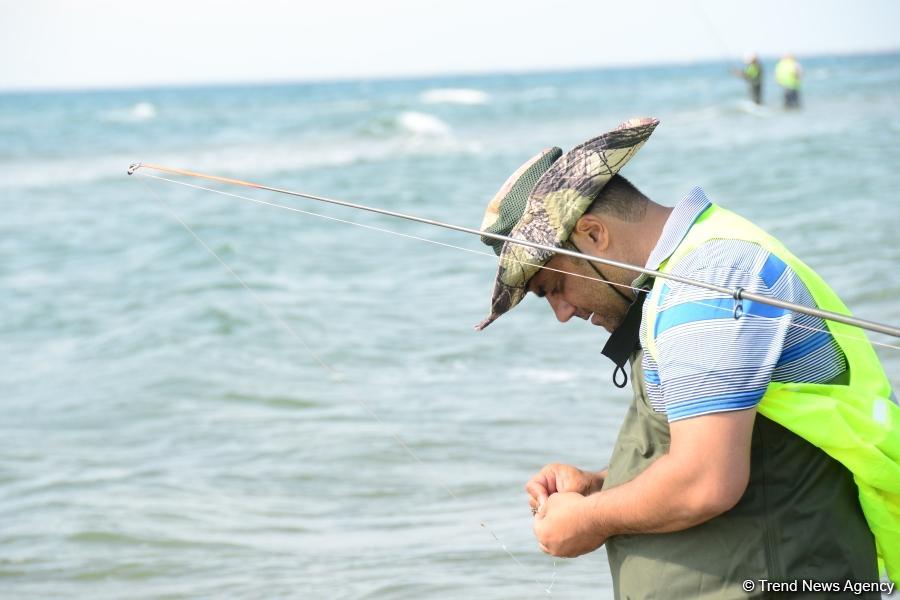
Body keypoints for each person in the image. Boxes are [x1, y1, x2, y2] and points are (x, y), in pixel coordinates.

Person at [475, 117, 899, 598]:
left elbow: (706, 480)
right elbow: (739, 447)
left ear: (593, 234)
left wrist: (588, 519)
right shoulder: (685, 275)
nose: (562, 312)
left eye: (554, 287)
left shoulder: (704, 285)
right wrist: (602, 485)